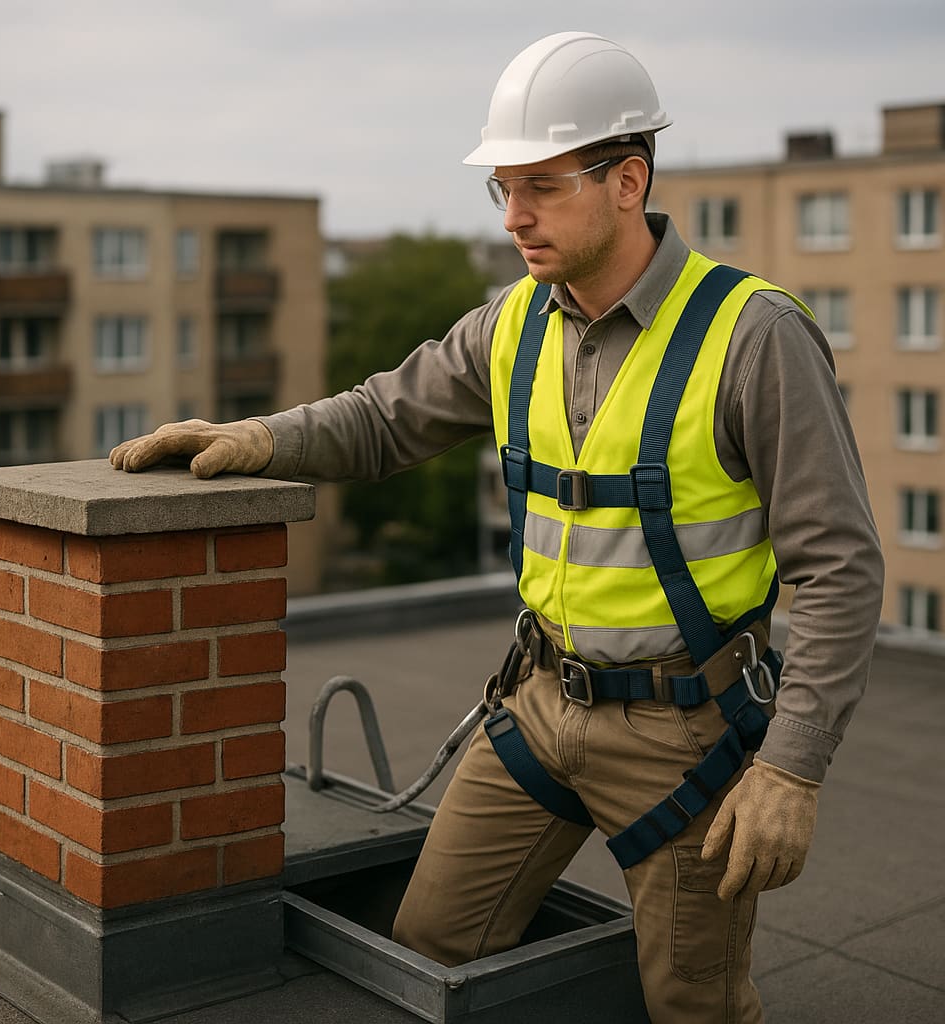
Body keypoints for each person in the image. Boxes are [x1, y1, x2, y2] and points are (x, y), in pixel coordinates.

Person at [110, 32, 884, 1023]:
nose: (513, 216)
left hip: (684, 732)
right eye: (501, 189)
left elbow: (840, 566)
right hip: (538, 701)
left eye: (540, 186)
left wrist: (788, 767)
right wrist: (255, 437)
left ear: (626, 179)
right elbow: (385, 417)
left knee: (691, 1001)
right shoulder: (510, 323)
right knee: (431, 944)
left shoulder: (752, 337)